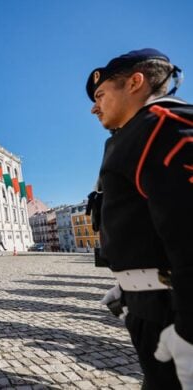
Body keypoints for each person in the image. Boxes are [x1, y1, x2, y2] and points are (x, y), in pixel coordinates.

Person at [87, 48, 193, 389]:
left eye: (101, 95)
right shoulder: (135, 133)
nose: (94, 106)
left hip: (173, 311)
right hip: (148, 305)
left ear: (135, 82)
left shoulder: (166, 126)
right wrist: (129, 284)